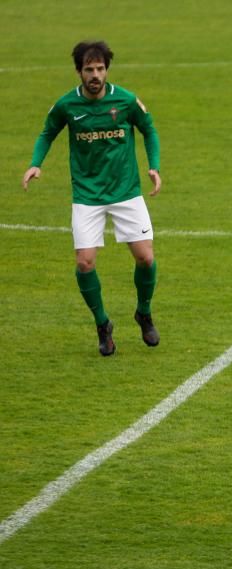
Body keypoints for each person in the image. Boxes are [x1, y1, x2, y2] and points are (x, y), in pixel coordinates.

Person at [22, 40, 162, 356]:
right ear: (79, 72)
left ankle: (144, 312)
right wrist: (35, 163)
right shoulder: (66, 106)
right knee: (85, 263)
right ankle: (103, 324)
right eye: (89, 69)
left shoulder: (125, 101)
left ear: (106, 70)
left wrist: (153, 167)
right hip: (87, 196)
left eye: (100, 68)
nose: (95, 74)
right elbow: (47, 132)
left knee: (146, 258)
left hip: (126, 192)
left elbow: (149, 130)